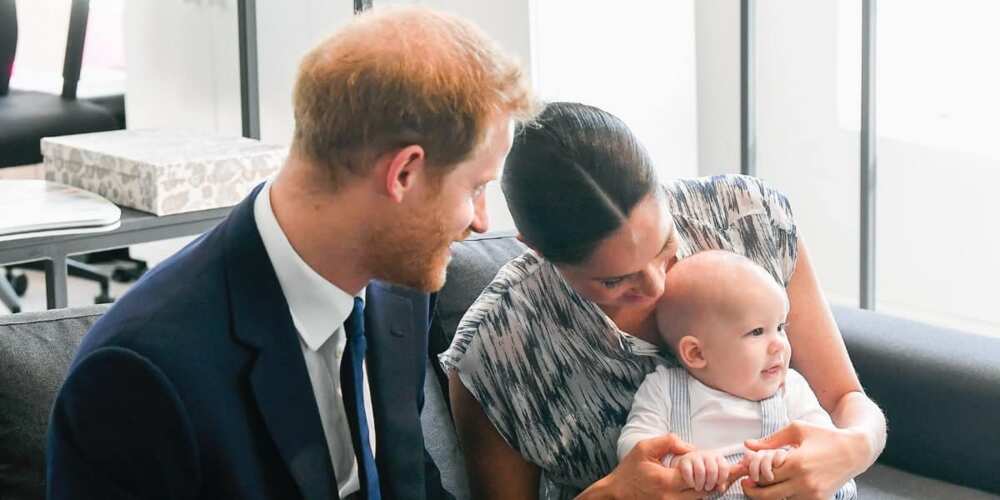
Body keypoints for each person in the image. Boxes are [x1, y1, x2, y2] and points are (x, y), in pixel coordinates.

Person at [46, 6, 538, 500]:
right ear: (403, 173)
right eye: (475, 187)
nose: (481, 220)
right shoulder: (135, 379)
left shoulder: (399, 290)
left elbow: (410, 483)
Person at [441, 102, 886, 499]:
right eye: (616, 280)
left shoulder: (747, 218)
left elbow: (845, 397)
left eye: (664, 246)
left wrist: (854, 448)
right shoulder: (498, 351)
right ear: (536, 248)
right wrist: (614, 494)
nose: (656, 287)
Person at [616, 250, 857, 499]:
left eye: (780, 327)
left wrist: (785, 459)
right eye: (756, 332)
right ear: (696, 353)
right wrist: (679, 461)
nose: (778, 345)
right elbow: (633, 447)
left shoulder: (790, 388)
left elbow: (824, 442)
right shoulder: (663, 387)